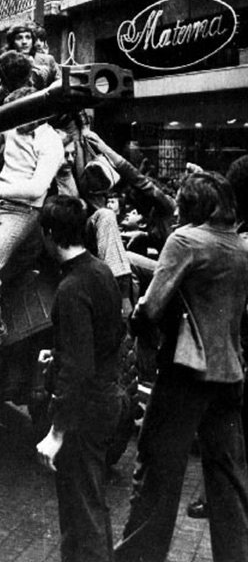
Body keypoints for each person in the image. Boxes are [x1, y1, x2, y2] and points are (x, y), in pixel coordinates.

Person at [115, 171, 248, 562]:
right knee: (228, 480)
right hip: (229, 375)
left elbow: (151, 309)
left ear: (190, 207)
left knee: (157, 473)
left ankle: (138, 557)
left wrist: (136, 328)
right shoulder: (240, 247)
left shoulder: (185, 240)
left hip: (185, 375)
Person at [36, 195, 124, 562]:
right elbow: (109, 336)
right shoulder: (101, 271)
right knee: (88, 504)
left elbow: (78, 369)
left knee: (81, 510)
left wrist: (56, 432)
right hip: (107, 398)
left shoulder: (70, 289)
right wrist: (59, 354)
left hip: (84, 411)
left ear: (51, 234)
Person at [0, 86, 64, 309]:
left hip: (21, 212)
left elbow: (37, 188)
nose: (15, 122)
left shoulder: (51, 142)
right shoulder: (14, 127)